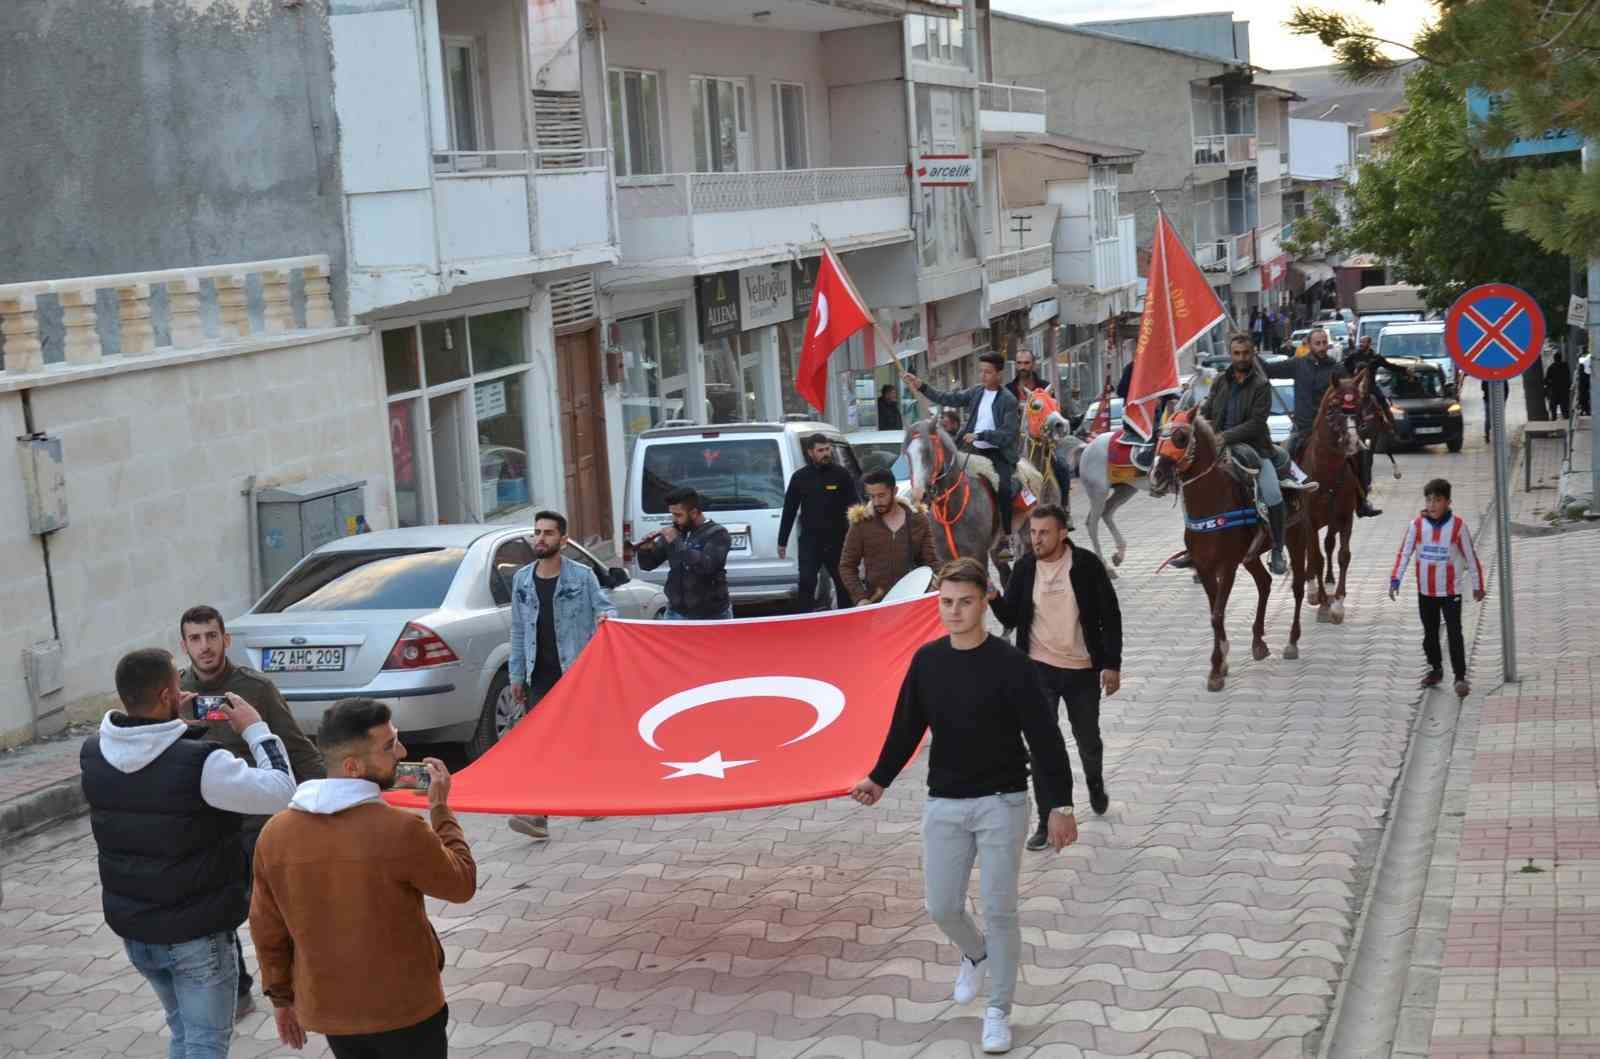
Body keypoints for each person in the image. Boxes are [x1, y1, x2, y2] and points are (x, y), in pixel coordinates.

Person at [851, 558, 1076, 1055]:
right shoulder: (927, 661)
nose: (954, 612)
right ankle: (975, 955)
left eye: (965, 603)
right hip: (945, 802)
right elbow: (906, 728)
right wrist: (878, 779)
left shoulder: (1010, 664)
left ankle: (998, 1011)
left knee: (1001, 911)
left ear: (984, 602)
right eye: (946, 603)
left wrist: (1059, 804)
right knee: (942, 906)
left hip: (1002, 801)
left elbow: (1044, 737)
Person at [82, 648, 296, 1059]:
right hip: (195, 934)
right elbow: (280, 792)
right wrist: (256, 729)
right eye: (179, 689)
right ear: (166, 694)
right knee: (205, 1044)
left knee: (184, 1034)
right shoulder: (201, 763)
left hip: (137, 931)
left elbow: (146, 756)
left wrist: (173, 725)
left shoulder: (95, 752)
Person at [250, 698, 476, 1059]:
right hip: (407, 1010)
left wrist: (281, 998)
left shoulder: (275, 833)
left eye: (396, 738)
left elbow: (266, 929)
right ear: (353, 767)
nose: (402, 751)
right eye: (389, 747)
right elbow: (461, 883)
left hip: (333, 1015)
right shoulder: (401, 829)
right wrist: (441, 810)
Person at [178, 604, 323, 1019]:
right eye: (195, 638)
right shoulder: (177, 693)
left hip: (260, 823)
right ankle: (237, 990)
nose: (204, 647)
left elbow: (296, 749)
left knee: (279, 908)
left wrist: (315, 805)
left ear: (226, 639)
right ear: (184, 644)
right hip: (208, 825)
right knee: (218, 914)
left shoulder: (255, 689)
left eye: (211, 636)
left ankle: (297, 984)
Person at [988, 505, 1122, 851]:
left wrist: (1112, 664)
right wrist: (992, 597)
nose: (1036, 539)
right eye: (1032, 533)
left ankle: (1094, 780)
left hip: (1081, 669)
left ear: (1063, 533)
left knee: (1087, 739)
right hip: (1037, 670)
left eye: (1043, 533)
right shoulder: (1025, 567)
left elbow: (1111, 617)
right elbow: (1011, 616)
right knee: (1042, 747)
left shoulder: (1087, 565)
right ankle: (1046, 820)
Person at [506, 510, 617, 841]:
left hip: (576, 672)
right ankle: (537, 815)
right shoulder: (522, 580)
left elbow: (606, 607)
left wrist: (605, 620)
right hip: (538, 674)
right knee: (542, 745)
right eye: (537, 532)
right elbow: (517, 629)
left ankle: (589, 796)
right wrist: (516, 674)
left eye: (548, 533)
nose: (540, 538)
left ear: (563, 540)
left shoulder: (581, 577)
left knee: (580, 740)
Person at [1199, 334, 1312, 576]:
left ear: (1253, 354)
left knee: (1272, 494)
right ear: (1231, 354)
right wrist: (1195, 419)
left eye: (1245, 353)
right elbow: (1208, 410)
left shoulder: (1261, 385)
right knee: (1196, 486)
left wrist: (1225, 436)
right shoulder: (1219, 381)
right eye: (1236, 353)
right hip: (1218, 449)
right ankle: (1195, 546)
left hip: (1256, 450)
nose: (1241, 358)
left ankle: (1278, 549)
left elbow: (1257, 423)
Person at [904, 353, 1023, 553]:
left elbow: (1008, 434)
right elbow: (947, 397)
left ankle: (1006, 537)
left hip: (997, 454)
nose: (983, 376)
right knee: (943, 475)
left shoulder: (1008, 400)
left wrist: (981, 435)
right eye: (981, 371)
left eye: (988, 372)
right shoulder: (976, 392)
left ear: (999, 374)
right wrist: (921, 386)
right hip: (971, 449)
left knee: (1003, 486)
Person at [1388, 478, 1485, 699]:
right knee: (1429, 635)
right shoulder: (1417, 526)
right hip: (1426, 592)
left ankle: (1460, 677)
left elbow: (1471, 557)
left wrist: (1478, 585)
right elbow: (1404, 553)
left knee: (1454, 633)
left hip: (1451, 592)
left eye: (1437, 500)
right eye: (1429, 499)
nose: (1432, 505)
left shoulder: (1458, 527)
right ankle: (1435, 669)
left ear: (1448, 502)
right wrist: (1395, 579)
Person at [1262, 327, 1364, 514]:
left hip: (1332, 430)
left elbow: (1349, 393)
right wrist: (1253, 355)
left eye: (1324, 342)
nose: (1322, 346)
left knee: (1360, 454)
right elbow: (1268, 370)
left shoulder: (1337, 368)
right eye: (1318, 343)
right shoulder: (1297, 365)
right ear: (1309, 345)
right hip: (1303, 428)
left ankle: (1362, 499)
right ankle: (1287, 500)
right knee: (1284, 455)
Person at [778, 434, 859, 612]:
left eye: (827, 449)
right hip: (810, 541)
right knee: (806, 581)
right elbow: (789, 510)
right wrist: (782, 541)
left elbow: (855, 506)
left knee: (842, 582)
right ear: (810, 453)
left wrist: (857, 537)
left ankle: (846, 619)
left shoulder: (841, 475)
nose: (825, 453)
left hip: (837, 540)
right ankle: (805, 620)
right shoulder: (800, 477)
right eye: (820, 450)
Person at [839, 468, 938, 605]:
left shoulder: (918, 520)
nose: (876, 502)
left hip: (914, 600)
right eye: (871, 497)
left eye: (881, 495)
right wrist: (860, 597)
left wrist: (934, 581)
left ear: (895, 491)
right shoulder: (861, 523)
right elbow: (847, 566)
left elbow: (931, 562)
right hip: (877, 604)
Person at [635, 487, 733, 619]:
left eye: (678, 515)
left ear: (694, 512)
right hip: (675, 613)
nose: (674, 520)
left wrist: (677, 542)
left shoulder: (717, 533)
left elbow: (706, 566)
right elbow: (648, 565)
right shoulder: (676, 531)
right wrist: (645, 550)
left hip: (711, 615)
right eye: (672, 514)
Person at [1546, 350, 1571, 421]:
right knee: (1565, 408)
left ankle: (1554, 420)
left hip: (1554, 390)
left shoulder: (1551, 367)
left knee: (1553, 408)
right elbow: (1568, 377)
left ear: (1554, 359)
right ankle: (1566, 421)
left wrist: (1548, 386)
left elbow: (1546, 380)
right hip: (1564, 390)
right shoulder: (1565, 366)